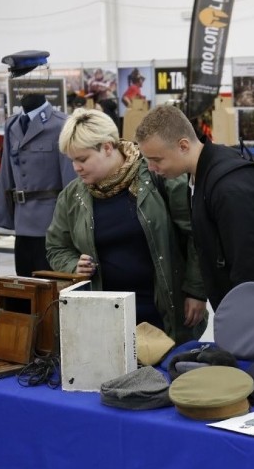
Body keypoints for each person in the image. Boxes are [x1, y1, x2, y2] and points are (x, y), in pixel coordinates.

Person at [135, 105, 254, 364]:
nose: (152, 168)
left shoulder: (228, 188)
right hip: (248, 315)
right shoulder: (203, 176)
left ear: (184, 145)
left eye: (157, 159)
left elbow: (253, 262)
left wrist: (244, 329)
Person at [45, 108, 207, 343]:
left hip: (164, 314)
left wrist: (196, 290)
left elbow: (196, 235)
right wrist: (72, 265)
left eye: (83, 159)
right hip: (106, 323)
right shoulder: (72, 197)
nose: (76, 168)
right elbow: (56, 247)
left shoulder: (159, 176)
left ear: (108, 147)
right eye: (72, 161)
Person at [0, 51, 78, 276]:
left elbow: (71, 183)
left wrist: (72, 226)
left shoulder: (62, 125)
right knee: (25, 290)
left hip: (51, 226)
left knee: (51, 292)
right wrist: (4, 218)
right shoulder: (11, 126)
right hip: (22, 226)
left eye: (28, 78)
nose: (23, 86)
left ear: (43, 77)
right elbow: (6, 177)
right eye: (18, 79)